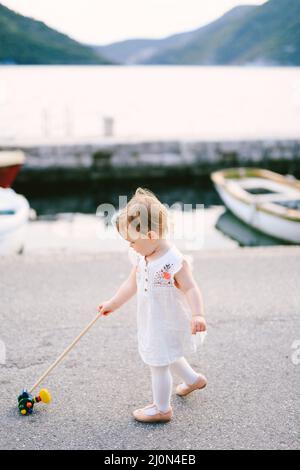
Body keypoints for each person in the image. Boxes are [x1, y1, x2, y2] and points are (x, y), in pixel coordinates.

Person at [98, 187, 207, 423]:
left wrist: (198, 314)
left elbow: (190, 287)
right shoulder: (142, 255)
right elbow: (131, 283)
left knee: (158, 363)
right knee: (167, 353)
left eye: (131, 241)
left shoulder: (173, 261)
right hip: (151, 318)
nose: (130, 246)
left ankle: (162, 408)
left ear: (149, 236)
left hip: (167, 320)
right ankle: (192, 379)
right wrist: (113, 303)